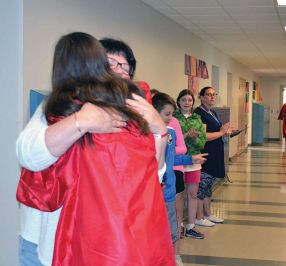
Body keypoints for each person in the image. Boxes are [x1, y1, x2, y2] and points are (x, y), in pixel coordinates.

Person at [16, 32, 174, 265]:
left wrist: (159, 130)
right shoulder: (65, 105)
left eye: (126, 65)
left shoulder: (136, 112)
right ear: (92, 66)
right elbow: (28, 154)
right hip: (47, 241)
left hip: (105, 240)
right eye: (111, 63)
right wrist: (82, 121)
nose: (121, 70)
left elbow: (152, 176)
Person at [152, 92, 207, 266]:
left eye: (171, 114)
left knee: (171, 228)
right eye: (167, 115)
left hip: (168, 190)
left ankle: (174, 257)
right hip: (150, 193)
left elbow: (170, 159)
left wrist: (190, 159)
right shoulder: (144, 135)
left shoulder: (170, 133)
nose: (170, 119)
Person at [194, 86, 232, 227]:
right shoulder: (199, 113)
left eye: (214, 95)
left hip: (215, 152)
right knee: (202, 186)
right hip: (206, 154)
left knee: (209, 185)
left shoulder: (213, 112)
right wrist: (221, 133)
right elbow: (203, 136)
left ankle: (208, 213)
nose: (212, 97)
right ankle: (198, 216)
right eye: (208, 95)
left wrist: (227, 131)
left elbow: (219, 129)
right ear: (202, 97)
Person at [174, 89, 207, 239]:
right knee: (179, 196)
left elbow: (202, 142)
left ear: (193, 103)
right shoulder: (173, 119)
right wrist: (186, 135)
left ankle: (191, 226)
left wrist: (194, 139)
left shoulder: (197, 119)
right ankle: (178, 225)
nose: (187, 103)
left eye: (189, 100)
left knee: (193, 194)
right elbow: (172, 140)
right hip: (177, 162)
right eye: (183, 100)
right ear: (178, 102)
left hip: (194, 161)